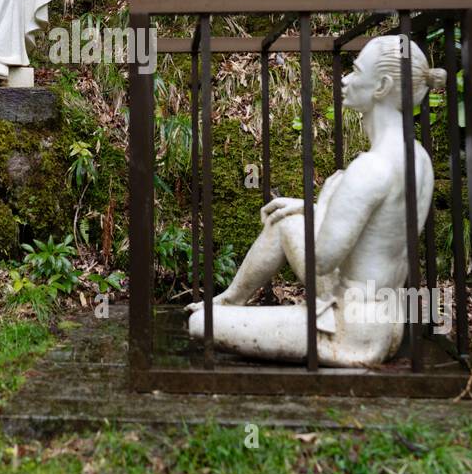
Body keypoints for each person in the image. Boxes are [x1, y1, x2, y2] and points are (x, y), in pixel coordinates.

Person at [187, 36, 446, 366]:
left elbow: (322, 260)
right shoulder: (418, 157)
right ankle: (227, 301)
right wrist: (309, 210)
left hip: (352, 330)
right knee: (287, 219)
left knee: (200, 324)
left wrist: (323, 204)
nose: (345, 79)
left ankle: (229, 312)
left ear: (381, 86)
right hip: (391, 320)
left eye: (355, 71)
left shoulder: (371, 167)